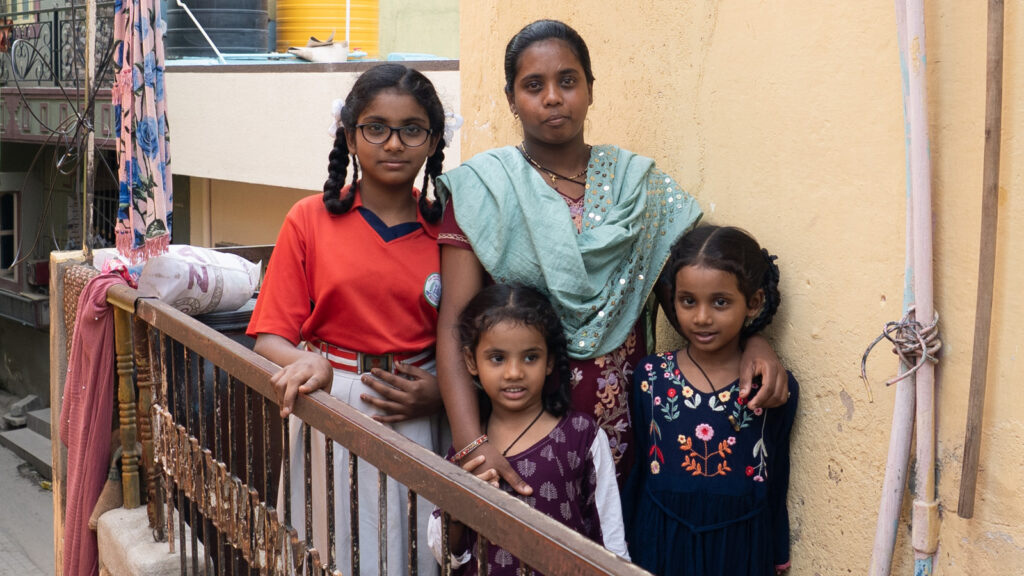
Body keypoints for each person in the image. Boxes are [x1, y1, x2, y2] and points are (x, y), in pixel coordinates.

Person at [434, 19, 791, 495]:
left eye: (567, 80)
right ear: (510, 98)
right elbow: (455, 324)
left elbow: (692, 299)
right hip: (518, 431)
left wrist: (754, 342)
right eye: (533, 85)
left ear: (590, 88)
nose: (553, 97)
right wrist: (471, 445)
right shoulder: (483, 190)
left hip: (631, 426)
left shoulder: (638, 186)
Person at [246, 63, 448, 575]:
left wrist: (443, 389)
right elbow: (269, 335)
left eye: (411, 130)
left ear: (433, 141)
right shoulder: (308, 219)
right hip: (332, 402)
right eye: (376, 128)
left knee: (414, 550)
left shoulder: (450, 229)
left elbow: (478, 336)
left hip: (419, 411)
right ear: (351, 137)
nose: (394, 143)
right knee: (329, 545)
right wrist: (306, 363)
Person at [624, 225, 798, 575]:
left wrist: (778, 549)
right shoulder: (651, 377)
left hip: (741, 549)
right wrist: (624, 543)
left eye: (720, 302)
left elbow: (776, 475)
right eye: (688, 301)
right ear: (672, 299)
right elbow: (641, 466)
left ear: (754, 303)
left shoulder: (771, 387)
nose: (702, 317)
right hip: (660, 542)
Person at [427, 284, 629, 573]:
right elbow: (443, 551)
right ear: (471, 361)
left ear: (549, 361)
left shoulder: (581, 436)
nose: (514, 373)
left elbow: (611, 538)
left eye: (530, 357)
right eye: (497, 358)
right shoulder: (468, 445)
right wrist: (459, 509)